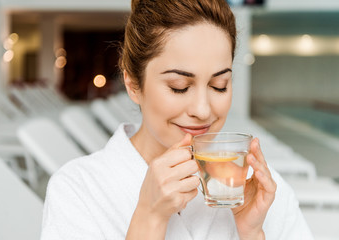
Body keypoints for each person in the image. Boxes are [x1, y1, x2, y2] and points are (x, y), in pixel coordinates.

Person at [41, 0, 314, 239]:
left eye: (219, 85)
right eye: (179, 86)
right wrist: (150, 217)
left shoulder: (260, 191)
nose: (203, 110)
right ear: (133, 84)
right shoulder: (78, 191)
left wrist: (252, 234)